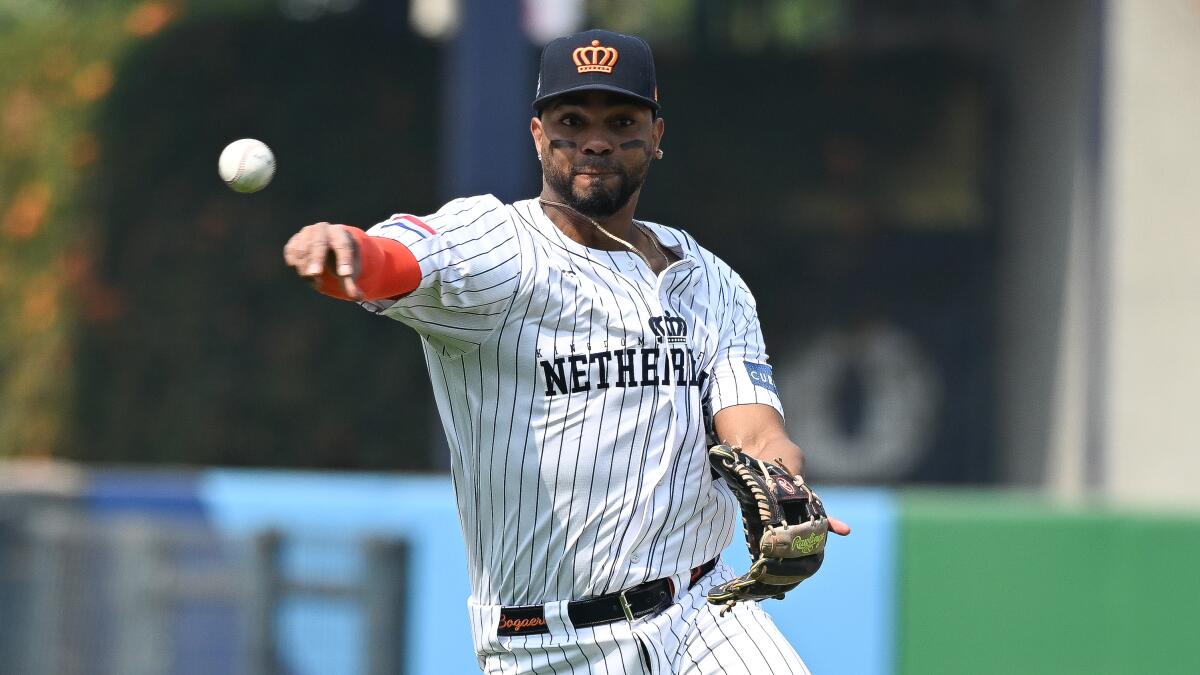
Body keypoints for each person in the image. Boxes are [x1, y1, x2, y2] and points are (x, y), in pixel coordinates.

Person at [283, 28, 849, 674]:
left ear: (657, 136)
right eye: (572, 120)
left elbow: (755, 430)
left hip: (703, 615)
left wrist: (785, 480)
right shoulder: (497, 248)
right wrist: (349, 252)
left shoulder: (709, 282)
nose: (597, 140)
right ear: (536, 134)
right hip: (546, 644)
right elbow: (401, 258)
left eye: (622, 120)